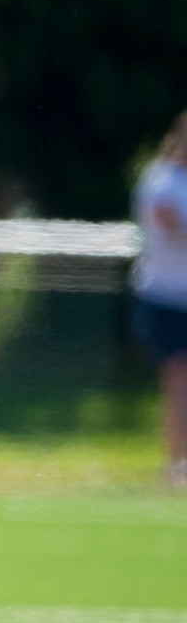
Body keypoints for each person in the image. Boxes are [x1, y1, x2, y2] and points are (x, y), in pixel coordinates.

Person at [132, 109, 187, 488]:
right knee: (179, 382)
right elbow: (170, 224)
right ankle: (175, 465)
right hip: (166, 298)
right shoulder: (161, 181)